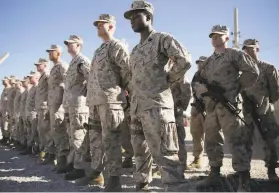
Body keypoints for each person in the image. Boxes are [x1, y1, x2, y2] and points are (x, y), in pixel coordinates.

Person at [124, 0, 192, 191]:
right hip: (138, 107)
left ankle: (177, 188)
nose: (132, 21)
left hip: (157, 106)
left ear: (148, 17)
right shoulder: (136, 50)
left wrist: (167, 79)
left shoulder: (162, 39)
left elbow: (184, 60)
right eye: (130, 18)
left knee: (165, 155)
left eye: (136, 16)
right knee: (140, 152)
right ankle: (142, 185)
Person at [195, 25, 259, 192]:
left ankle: (243, 180)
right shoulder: (208, 61)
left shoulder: (235, 55)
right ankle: (214, 175)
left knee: (235, 141)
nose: (215, 38)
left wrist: (235, 88)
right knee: (211, 140)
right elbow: (198, 80)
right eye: (213, 36)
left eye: (219, 35)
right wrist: (203, 92)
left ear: (227, 38)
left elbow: (252, 71)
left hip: (229, 106)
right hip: (211, 107)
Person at [77, 14, 130, 191]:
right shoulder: (99, 50)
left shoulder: (117, 46)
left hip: (110, 101)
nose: (98, 27)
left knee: (111, 140)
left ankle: (114, 179)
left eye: (102, 24)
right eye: (97, 25)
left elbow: (127, 73)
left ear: (111, 27)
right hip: (94, 102)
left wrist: (120, 93)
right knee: (95, 140)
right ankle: (96, 172)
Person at [241, 39, 279, 182]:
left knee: (270, 139)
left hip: (265, 110)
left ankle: (271, 170)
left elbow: (275, 93)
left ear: (257, 48)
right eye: (246, 49)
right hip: (247, 112)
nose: (248, 52)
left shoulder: (269, 68)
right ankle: (244, 173)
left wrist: (263, 101)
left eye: (251, 49)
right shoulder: (243, 72)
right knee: (245, 141)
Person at [62, 35, 90, 181]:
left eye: (71, 44)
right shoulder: (72, 62)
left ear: (78, 45)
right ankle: (72, 163)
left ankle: (80, 168)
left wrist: (83, 95)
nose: (68, 46)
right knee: (72, 136)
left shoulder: (82, 61)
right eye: (67, 44)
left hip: (79, 106)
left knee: (79, 136)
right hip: (70, 105)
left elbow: (91, 79)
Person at [46, 44, 69, 170]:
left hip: (60, 105)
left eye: (52, 52)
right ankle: (58, 158)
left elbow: (67, 84)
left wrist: (63, 104)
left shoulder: (62, 66)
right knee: (55, 132)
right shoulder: (53, 68)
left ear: (59, 53)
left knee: (60, 131)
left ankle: (63, 161)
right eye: (49, 52)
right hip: (53, 105)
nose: (50, 54)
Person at [188, 56, 207, 169]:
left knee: (210, 136)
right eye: (198, 62)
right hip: (196, 108)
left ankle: (213, 164)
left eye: (202, 63)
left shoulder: (211, 75)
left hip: (208, 108)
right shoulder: (196, 75)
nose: (199, 64)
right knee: (196, 134)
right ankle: (197, 159)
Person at [34, 58, 54, 163]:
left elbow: (51, 90)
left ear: (45, 65)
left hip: (45, 107)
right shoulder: (42, 77)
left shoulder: (47, 76)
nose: (37, 66)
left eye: (39, 65)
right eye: (36, 65)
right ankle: (45, 151)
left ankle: (50, 154)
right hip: (41, 108)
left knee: (47, 131)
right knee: (42, 131)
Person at [20, 71, 40, 155]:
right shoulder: (31, 89)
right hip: (28, 113)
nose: (29, 79)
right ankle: (30, 148)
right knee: (29, 132)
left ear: (36, 78)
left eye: (31, 77)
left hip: (34, 113)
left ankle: (37, 150)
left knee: (35, 132)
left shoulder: (38, 88)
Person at [18, 77, 31, 150]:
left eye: (24, 82)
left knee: (31, 131)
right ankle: (27, 146)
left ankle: (32, 148)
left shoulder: (29, 90)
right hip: (24, 113)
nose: (22, 83)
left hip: (30, 113)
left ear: (27, 82)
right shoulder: (25, 92)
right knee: (26, 130)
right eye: (22, 82)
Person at [12, 79, 25, 148]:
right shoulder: (17, 92)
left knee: (21, 128)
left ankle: (22, 143)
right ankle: (19, 142)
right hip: (17, 112)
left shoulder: (21, 91)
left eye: (16, 84)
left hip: (20, 112)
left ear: (19, 84)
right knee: (18, 128)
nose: (15, 85)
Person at [0, 77, 11, 144]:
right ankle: (4, 137)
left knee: (6, 125)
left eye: (4, 80)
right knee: (2, 125)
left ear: (8, 80)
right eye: (2, 80)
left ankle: (7, 139)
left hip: (7, 111)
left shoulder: (9, 89)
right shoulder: (4, 89)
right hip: (2, 110)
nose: (3, 81)